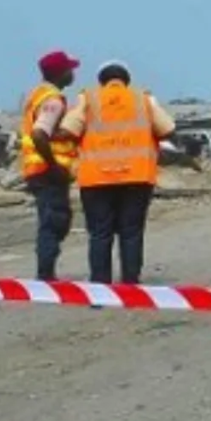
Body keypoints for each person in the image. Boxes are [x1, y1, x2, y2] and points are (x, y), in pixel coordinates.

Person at [58, 60, 176, 284]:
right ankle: (131, 284)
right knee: (131, 233)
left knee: (100, 234)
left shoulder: (88, 99)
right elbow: (168, 129)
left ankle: (100, 286)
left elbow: (68, 130)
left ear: (101, 83)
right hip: (137, 177)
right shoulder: (144, 99)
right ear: (127, 82)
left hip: (96, 179)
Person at [18, 50, 81, 281]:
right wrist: (53, 165)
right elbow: (39, 134)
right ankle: (45, 274)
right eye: (69, 69)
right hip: (47, 172)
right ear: (60, 73)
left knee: (54, 219)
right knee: (54, 221)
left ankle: (46, 269)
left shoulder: (37, 94)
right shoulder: (52, 100)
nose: (73, 73)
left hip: (37, 171)